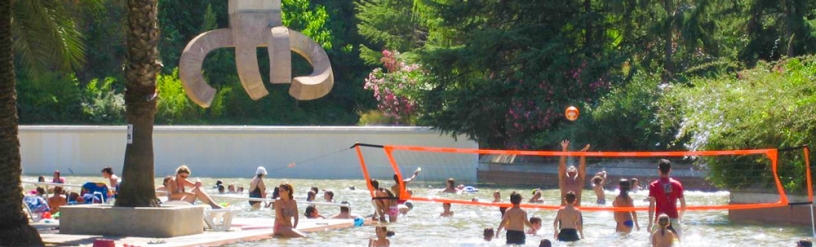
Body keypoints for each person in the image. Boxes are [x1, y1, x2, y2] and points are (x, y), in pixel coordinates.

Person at [648, 159, 686, 241]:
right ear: (670, 170)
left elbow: (651, 206)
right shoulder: (677, 184)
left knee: (651, 243)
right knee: (679, 243)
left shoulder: (654, 185)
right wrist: (679, 218)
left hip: (659, 221)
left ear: (659, 170)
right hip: (674, 219)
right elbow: (683, 205)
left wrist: (650, 222)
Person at [558, 140, 590, 206]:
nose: (572, 168)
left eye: (573, 168)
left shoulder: (579, 179)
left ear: (577, 171)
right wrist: (564, 150)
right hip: (564, 210)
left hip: (576, 211)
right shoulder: (563, 178)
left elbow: (582, 167)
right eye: (570, 167)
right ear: (566, 170)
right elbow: (562, 165)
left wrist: (583, 154)